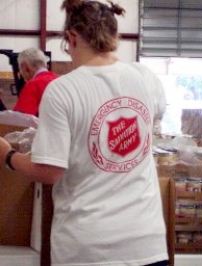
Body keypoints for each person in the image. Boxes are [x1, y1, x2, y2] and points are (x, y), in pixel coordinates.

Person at [0, 0, 168, 266]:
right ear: (114, 36)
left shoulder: (63, 90)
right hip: (146, 243)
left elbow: (50, 171)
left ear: (72, 37)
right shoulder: (145, 78)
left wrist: (8, 155)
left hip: (89, 247)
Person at [14, 47, 58, 116]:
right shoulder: (61, 81)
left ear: (25, 67)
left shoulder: (32, 85)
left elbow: (20, 119)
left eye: (20, 68)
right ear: (46, 65)